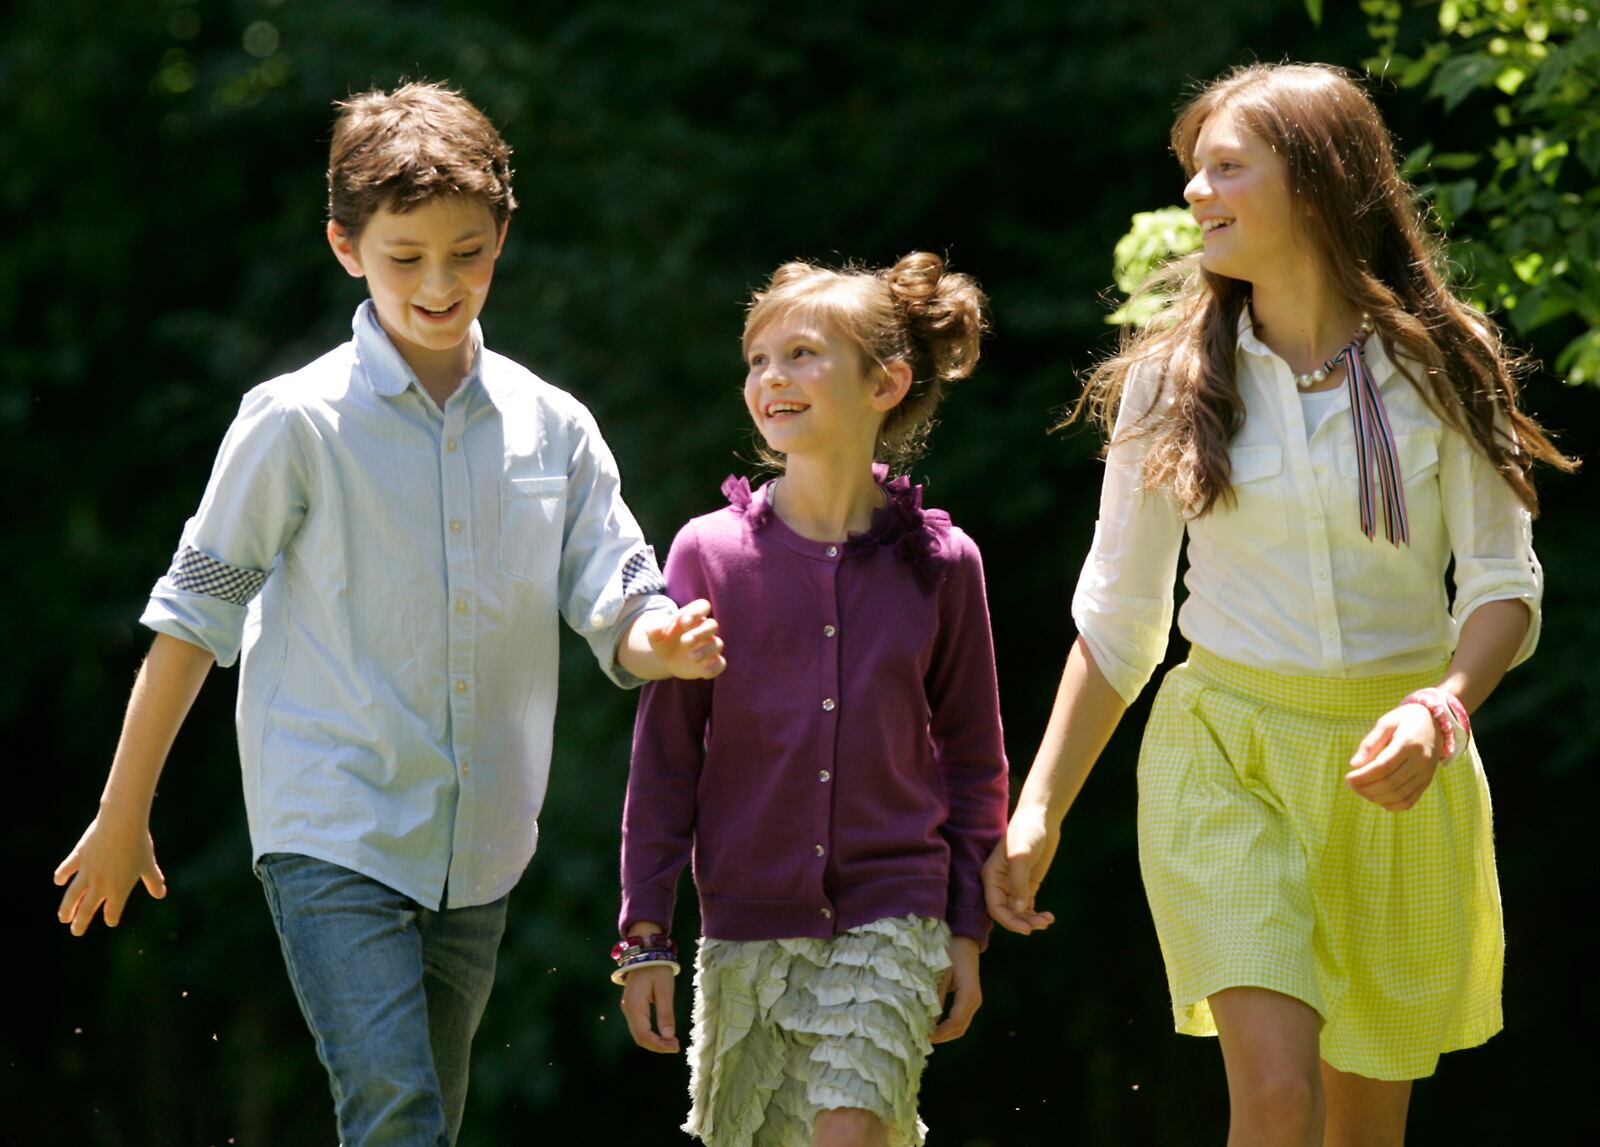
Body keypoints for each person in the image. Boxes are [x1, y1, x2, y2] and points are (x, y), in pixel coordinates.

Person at [52, 81, 725, 1147]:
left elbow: (616, 591)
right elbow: (191, 619)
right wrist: (123, 807)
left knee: (423, 1121)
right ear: (344, 245)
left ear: (502, 234)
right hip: (333, 821)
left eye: (467, 251)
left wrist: (660, 640)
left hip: (481, 841)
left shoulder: (553, 426)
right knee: (398, 1112)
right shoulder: (295, 423)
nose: (440, 282)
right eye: (405, 255)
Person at [985, 63, 1575, 1146]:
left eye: (1225, 168)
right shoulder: (1168, 382)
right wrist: (1039, 808)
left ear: (1315, 184)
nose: (1196, 195)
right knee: (1273, 1093)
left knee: (1360, 1129)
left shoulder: (1445, 364)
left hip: (1397, 774)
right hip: (1225, 755)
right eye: (1192, 172)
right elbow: (1118, 617)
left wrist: (1441, 707)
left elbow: (1503, 586)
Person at [616, 253, 1007, 1147]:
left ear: (887, 383)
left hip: (893, 911)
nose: (771, 379)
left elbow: (975, 755)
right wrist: (645, 930)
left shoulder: (946, 567)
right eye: (757, 360)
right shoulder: (707, 555)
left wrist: (965, 928)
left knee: (851, 1133)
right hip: (746, 923)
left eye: (801, 354)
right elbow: (668, 756)